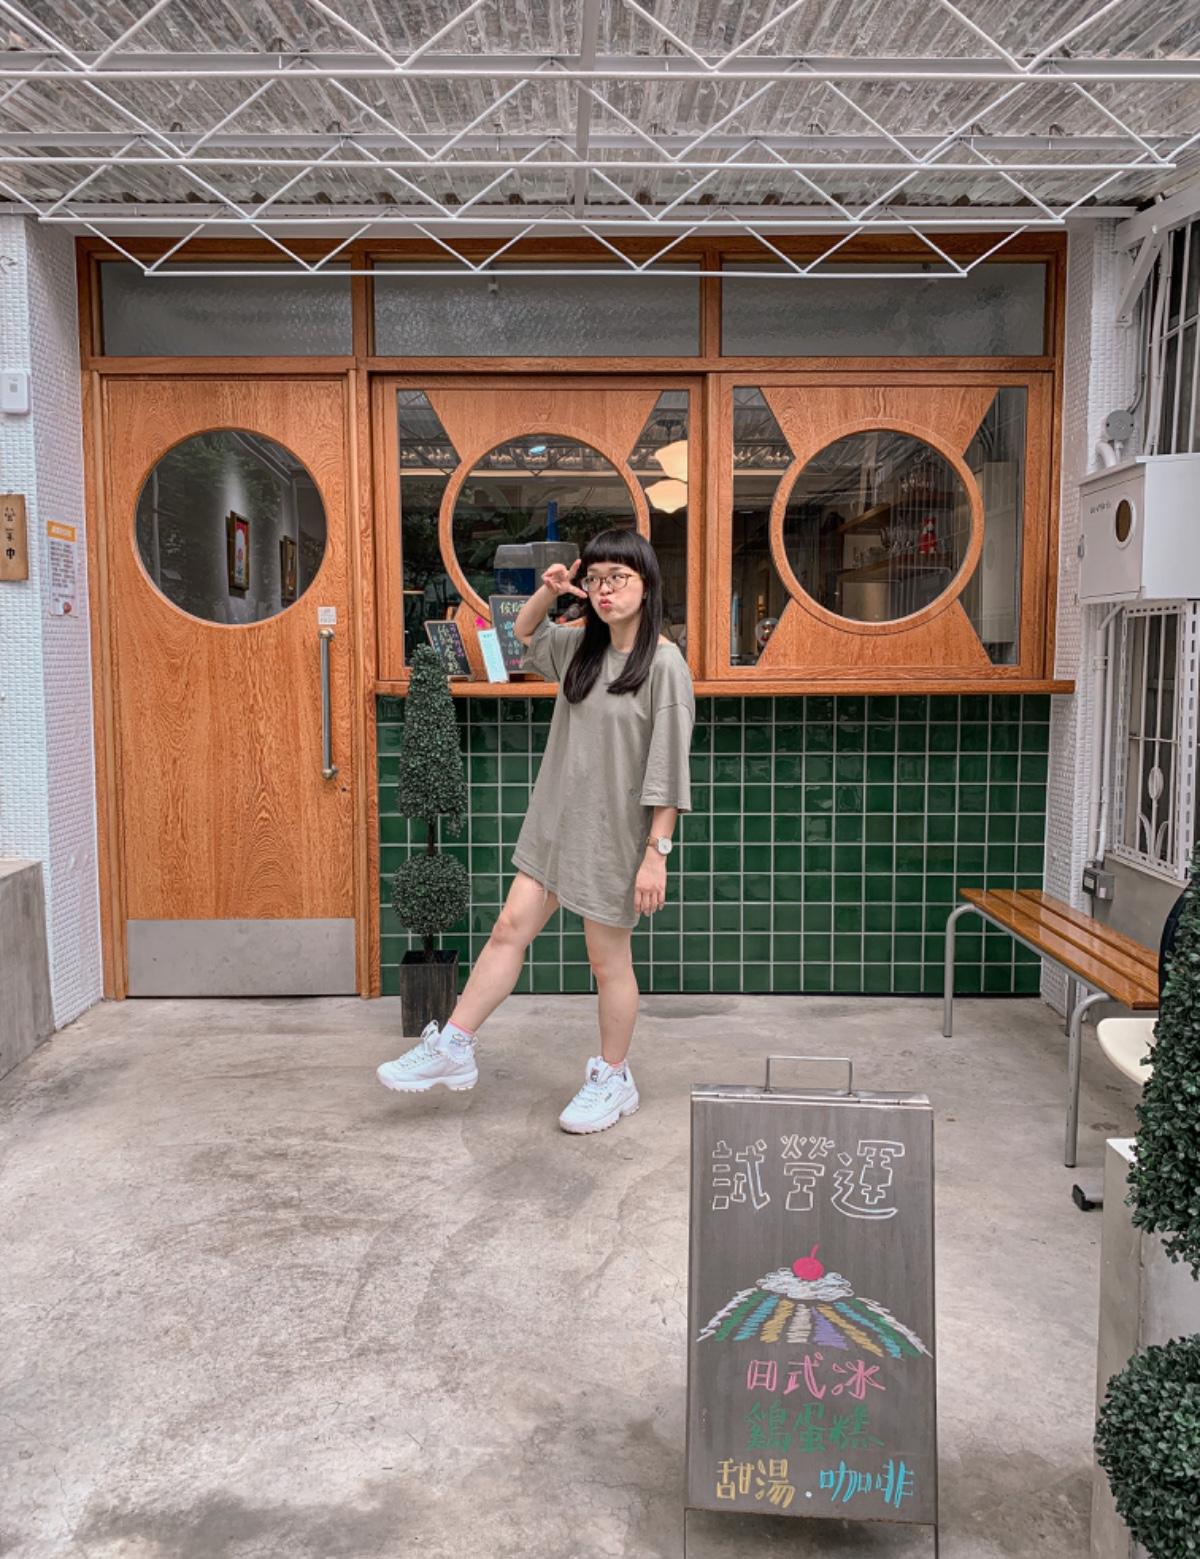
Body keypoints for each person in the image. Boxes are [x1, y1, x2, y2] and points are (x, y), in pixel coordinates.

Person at [377, 529, 696, 1134]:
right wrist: (549, 592)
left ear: (647, 584)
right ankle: (454, 1044)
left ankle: (614, 1077)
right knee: (508, 930)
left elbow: (668, 769)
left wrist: (656, 854)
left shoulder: (664, 665)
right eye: (595, 579)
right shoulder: (580, 648)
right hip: (555, 824)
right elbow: (522, 634)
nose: (604, 590)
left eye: (618, 578)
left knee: (607, 962)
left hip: (613, 838)